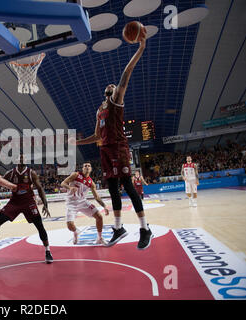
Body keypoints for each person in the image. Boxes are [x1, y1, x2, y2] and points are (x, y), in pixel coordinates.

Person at [70, 32, 153, 250]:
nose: (112, 85)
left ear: (115, 90)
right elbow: (97, 136)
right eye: (109, 86)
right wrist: (77, 143)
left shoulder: (117, 101)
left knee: (127, 184)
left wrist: (140, 49)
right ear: (105, 92)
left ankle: (145, 228)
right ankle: (119, 228)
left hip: (118, 147)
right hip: (105, 149)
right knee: (113, 189)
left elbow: (126, 75)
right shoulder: (100, 110)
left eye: (114, 85)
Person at [0, 154, 54, 264]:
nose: (22, 159)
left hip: (29, 202)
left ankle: (48, 251)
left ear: (26, 160)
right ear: (16, 160)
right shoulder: (10, 173)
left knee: (40, 226)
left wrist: (45, 204)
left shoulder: (31, 173)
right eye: (20, 157)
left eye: (24, 157)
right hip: (14, 202)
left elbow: (40, 188)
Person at [61, 162, 109, 245]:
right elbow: (63, 183)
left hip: (83, 202)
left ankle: (99, 238)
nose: (87, 167)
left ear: (91, 169)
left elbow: (96, 197)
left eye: (89, 166)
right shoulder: (76, 175)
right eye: (85, 166)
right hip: (71, 203)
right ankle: (76, 232)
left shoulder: (91, 182)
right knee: (70, 226)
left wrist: (104, 206)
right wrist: (70, 187)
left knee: (99, 217)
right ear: (82, 168)